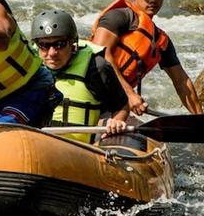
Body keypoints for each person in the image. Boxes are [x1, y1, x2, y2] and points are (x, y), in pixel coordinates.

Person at [90, 0, 204, 116]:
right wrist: (130, 94)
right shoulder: (118, 17)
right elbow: (99, 55)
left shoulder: (160, 40)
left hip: (114, 104)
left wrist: (201, 118)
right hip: (89, 93)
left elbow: (181, 81)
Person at [30, 10, 129, 143]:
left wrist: (116, 122)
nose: (52, 53)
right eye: (44, 46)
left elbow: (122, 105)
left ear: (72, 44)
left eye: (60, 44)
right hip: (36, 144)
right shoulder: (29, 66)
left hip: (79, 150)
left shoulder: (96, 67)